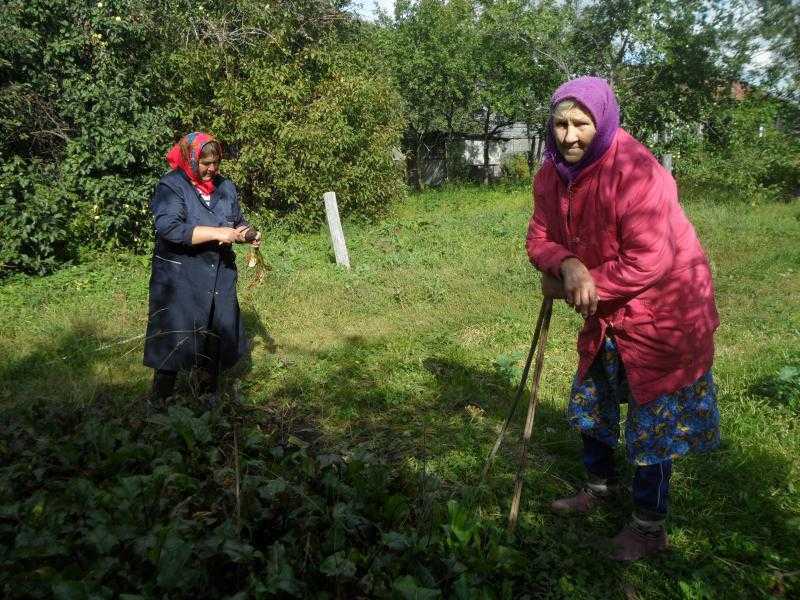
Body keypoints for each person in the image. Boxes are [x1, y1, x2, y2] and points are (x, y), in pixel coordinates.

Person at [525, 77, 721, 561]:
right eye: (560, 123)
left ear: (604, 121)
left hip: (664, 314)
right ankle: (598, 487)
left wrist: (579, 283)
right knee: (595, 401)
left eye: (581, 124)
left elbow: (649, 261)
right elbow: (539, 236)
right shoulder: (552, 173)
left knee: (654, 425)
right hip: (607, 311)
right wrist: (566, 266)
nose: (569, 136)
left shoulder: (638, 172)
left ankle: (649, 528)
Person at [143, 132, 260, 406]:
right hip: (181, 276)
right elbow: (169, 228)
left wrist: (246, 234)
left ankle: (208, 396)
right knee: (176, 336)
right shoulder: (171, 186)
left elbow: (236, 222)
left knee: (215, 334)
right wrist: (216, 232)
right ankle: (160, 402)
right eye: (205, 163)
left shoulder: (226, 187)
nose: (211, 169)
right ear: (190, 159)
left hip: (219, 274)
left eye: (216, 162)